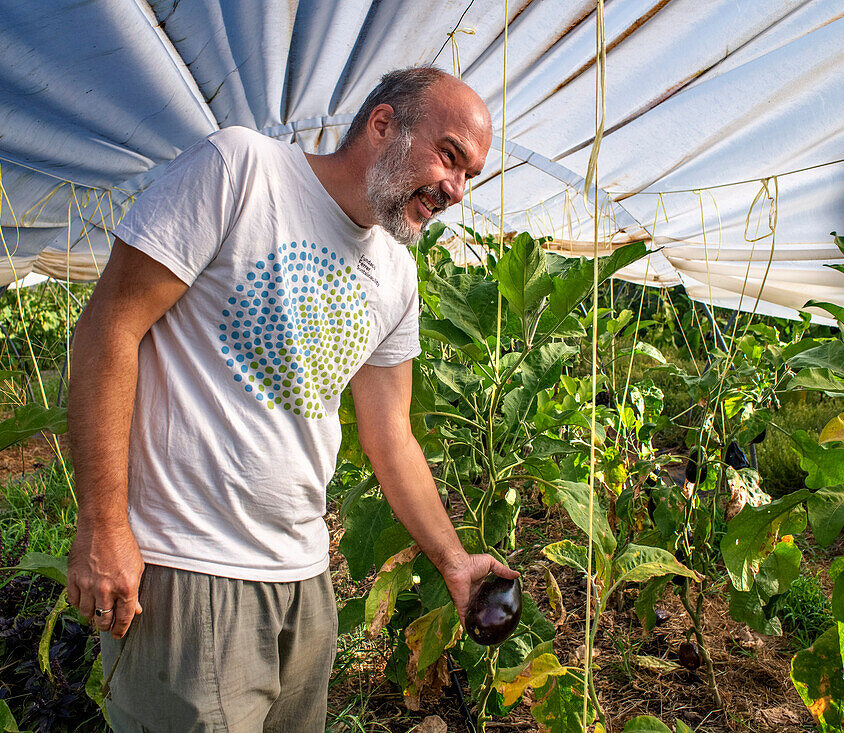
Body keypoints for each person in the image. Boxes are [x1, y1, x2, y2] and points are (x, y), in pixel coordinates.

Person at [65, 66, 517, 732]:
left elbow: (390, 434)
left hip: (304, 585)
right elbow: (109, 328)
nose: (455, 187)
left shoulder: (395, 275)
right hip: (188, 571)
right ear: (383, 123)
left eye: (469, 174)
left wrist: (455, 561)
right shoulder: (244, 170)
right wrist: (102, 527)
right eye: (449, 156)